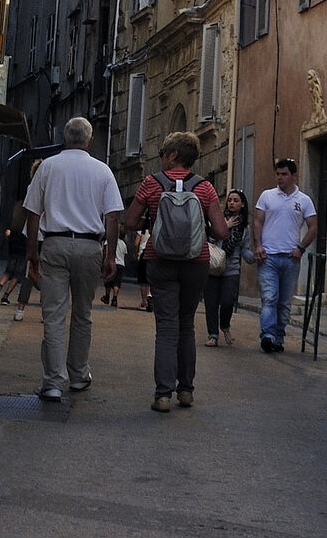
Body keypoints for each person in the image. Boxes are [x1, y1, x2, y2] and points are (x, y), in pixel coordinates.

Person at [22, 116, 124, 403]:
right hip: (90, 247)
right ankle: (78, 375)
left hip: (55, 244)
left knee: (53, 315)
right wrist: (111, 255)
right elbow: (112, 216)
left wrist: (32, 251)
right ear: (90, 141)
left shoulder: (47, 167)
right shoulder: (103, 171)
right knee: (82, 312)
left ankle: (53, 382)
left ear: (64, 139)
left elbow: (33, 212)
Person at [126, 132, 223, 412]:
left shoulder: (151, 183)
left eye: (162, 155)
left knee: (167, 327)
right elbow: (220, 231)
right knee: (186, 325)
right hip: (196, 261)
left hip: (160, 260)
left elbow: (129, 222)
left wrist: (151, 219)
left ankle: (163, 395)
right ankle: (186, 391)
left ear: (172, 155)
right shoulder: (205, 187)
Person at [252, 157, 316, 353]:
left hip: (291, 258)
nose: (280, 177)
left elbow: (313, 226)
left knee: (284, 302)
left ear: (294, 176)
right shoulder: (267, 196)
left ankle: (278, 337)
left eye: (284, 174)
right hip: (268, 257)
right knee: (269, 297)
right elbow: (257, 221)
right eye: (278, 174)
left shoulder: (304, 200)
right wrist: (258, 245)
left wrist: (301, 247)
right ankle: (268, 335)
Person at [204, 188, 250, 346]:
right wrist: (225, 226)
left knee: (227, 301)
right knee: (211, 302)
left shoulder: (245, 228)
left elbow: (245, 250)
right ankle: (213, 335)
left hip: (231, 269)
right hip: (214, 266)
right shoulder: (218, 220)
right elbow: (209, 239)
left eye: (235, 200)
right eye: (230, 200)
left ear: (242, 204)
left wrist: (255, 257)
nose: (231, 203)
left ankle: (225, 325)